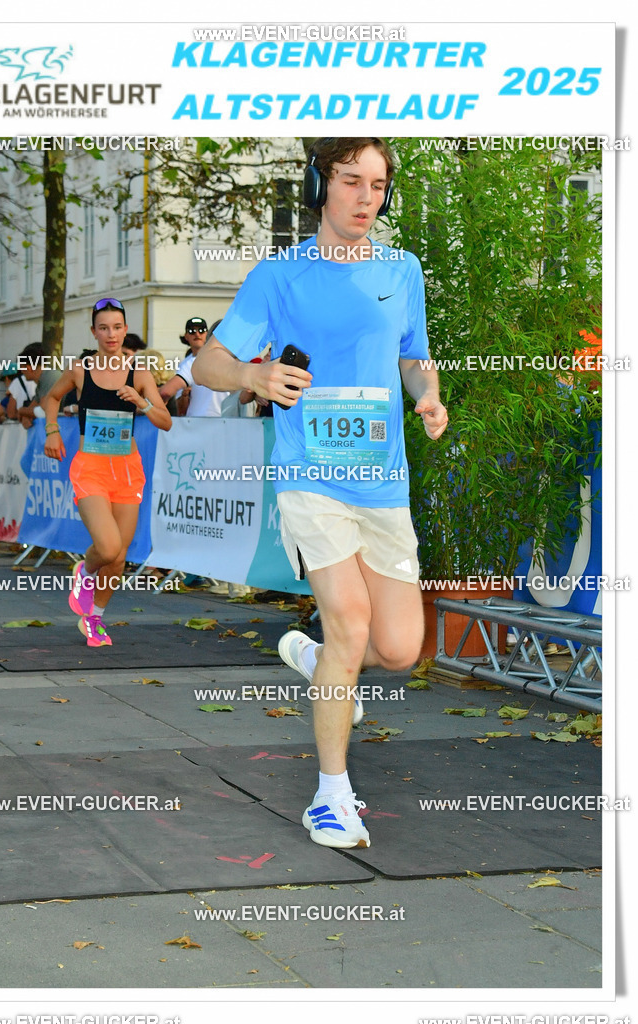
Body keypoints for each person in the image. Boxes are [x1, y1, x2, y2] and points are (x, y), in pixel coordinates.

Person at [193, 137, 448, 850]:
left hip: (382, 481)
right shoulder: (281, 275)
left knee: (398, 648)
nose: (365, 197)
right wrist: (252, 378)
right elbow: (210, 359)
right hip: (311, 475)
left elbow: (411, 354)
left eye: (377, 184)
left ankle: (314, 659)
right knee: (347, 621)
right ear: (319, 184)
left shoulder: (401, 270)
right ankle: (331, 797)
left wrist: (427, 396)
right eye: (349, 180)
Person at [42, 298, 172, 646]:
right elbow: (51, 398)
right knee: (109, 546)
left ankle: (94, 619)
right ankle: (84, 570)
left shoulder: (140, 374)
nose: (110, 334)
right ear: (94, 332)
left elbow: (166, 421)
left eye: (117, 327)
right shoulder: (80, 370)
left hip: (128, 470)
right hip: (91, 468)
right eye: (104, 328)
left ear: (125, 330)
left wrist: (141, 401)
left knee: (119, 558)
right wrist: (51, 430)